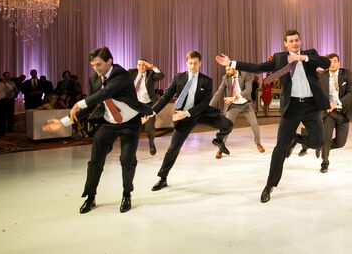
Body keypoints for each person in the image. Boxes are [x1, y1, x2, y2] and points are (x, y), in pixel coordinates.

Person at [216, 29, 331, 203]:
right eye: (291, 41)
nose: (295, 43)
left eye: (297, 40)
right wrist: (231, 62)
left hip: (311, 106)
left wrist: (303, 58)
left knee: (318, 142)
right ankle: (269, 186)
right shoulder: (279, 59)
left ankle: (297, 140)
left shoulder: (310, 54)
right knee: (279, 150)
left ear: (301, 41)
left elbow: (326, 63)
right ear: (285, 43)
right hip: (291, 107)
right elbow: (257, 67)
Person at [42, 47, 155, 214]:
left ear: (109, 61)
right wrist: (64, 122)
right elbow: (94, 104)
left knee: (127, 160)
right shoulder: (94, 78)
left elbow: (105, 93)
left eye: (99, 64)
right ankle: (90, 197)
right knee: (95, 161)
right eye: (93, 65)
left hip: (130, 123)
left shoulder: (121, 75)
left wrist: (78, 103)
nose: (96, 68)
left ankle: (126, 194)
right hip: (108, 122)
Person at [148, 51, 233, 192]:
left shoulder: (207, 81)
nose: (193, 66)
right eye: (190, 63)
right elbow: (165, 97)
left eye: (195, 63)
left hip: (201, 112)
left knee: (227, 125)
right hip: (184, 117)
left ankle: (219, 140)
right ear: (186, 63)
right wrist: (151, 112)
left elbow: (205, 103)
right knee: (173, 148)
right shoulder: (178, 78)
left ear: (200, 63)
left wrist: (187, 113)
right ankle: (162, 178)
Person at [299, 54, 352, 172]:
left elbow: (351, 93)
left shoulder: (346, 74)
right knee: (326, 138)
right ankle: (325, 162)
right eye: (330, 62)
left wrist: (336, 103)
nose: (333, 64)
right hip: (329, 113)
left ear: (339, 63)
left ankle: (322, 148)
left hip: (343, 112)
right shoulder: (322, 76)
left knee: (340, 142)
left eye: (335, 61)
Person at [210, 66, 265, 158]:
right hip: (233, 106)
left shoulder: (245, 75)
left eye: (229, 69)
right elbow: (218, 93)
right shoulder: (225, 78)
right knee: (225, 127)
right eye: (226, 69)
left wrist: (234, 97)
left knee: (255, 124)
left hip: (246, 105)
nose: (227, 71)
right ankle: (220, 148)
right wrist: (209, 107)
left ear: (234, 68)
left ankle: (258, 143)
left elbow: (248, 90)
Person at [128, 58, 165, 155]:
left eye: (144, 65)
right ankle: (131, 148)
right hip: (135, 106)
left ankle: (151, 144)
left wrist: (152, 67)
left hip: (148, 106)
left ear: (147, 66)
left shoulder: (151, 74)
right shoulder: (131, 73)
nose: (141, 67)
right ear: (136, 66)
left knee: (149, 128)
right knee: (135, 128)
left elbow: (161, 76)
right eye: (139, 64)